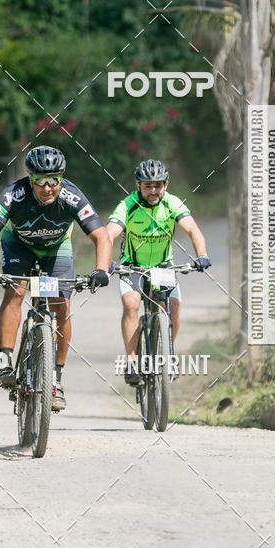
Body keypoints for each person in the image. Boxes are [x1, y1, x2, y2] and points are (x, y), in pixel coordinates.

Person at [0, 145, 111, 410]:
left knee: (62, 305)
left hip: (57, 249)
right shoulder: (14, 194)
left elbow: (101, 236)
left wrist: (101, 270)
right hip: (18, 246)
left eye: (54, 181)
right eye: (40, 181)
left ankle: (55, 380)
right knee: (16, 291)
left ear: (61, 179)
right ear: (30, 179)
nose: (48, 188)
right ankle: (6, 363)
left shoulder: (71, 196)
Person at [106, 159, 210, 385]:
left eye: (158, 185)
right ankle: (132, 361)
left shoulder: (172, 204)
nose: (153, 191)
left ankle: (167, 355)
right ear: (138, 186)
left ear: (166, 185)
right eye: (148, 186)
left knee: (173, 307)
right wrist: (104, 262)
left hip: (163, 267)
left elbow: (193, 229)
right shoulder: (128, 205)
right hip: (132, 266)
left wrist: (202, 255)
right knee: (131, 304)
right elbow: (109, 233)